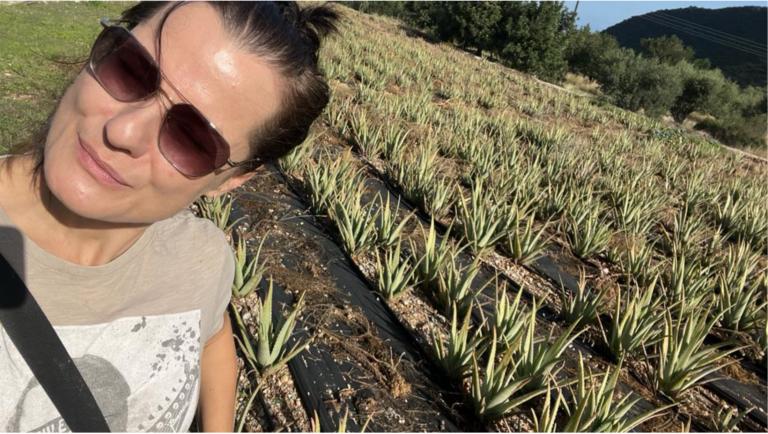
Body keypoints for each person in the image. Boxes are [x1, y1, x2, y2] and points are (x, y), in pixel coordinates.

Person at [0, 1, 340, 432]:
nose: (121, 132)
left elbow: (212, 334)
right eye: (129, 67)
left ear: (231, 180)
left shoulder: (201, 257)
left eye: (192, 138)